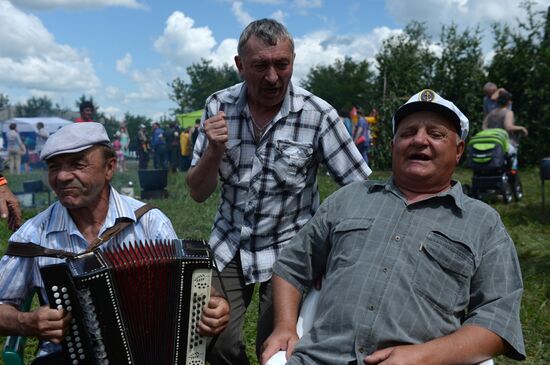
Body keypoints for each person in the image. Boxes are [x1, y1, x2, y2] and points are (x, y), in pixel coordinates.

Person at [261, 89, 525, 365]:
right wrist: (285, 326)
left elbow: (498, 319)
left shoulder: (482, 222)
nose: (419, 140)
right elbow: (292, 265)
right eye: (408, 133)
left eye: (435, 134)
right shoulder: (350, 198)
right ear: (393, 145)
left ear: (458, 150)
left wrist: (422, 357)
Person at [187, 18, 371, 365]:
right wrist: (213, 150)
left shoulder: (317, 114)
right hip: (229, 244)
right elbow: (197, 193)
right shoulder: (218, 106)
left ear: (293, 62)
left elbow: (361, 190)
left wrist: (333, 250)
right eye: (260, 66)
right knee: (213, 341)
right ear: (240, 65)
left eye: (281, 64)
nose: (272, 77)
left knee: (278, 350)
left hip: (291, 250)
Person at [0, 122, 230, 364]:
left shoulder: (149, 222)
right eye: (54, 167)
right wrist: (26, 322)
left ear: (109, 168)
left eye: (77, 164)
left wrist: (214, 307)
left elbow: (188, 291)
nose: (62, 177)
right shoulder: (34, 235)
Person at [482, 90, 528, 171]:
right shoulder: (508, 112)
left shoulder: (491, 113)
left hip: (492, 144)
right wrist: (522, 128)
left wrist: (493, 133)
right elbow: (508, 127)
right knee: (512, 161)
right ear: (509, 102)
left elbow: (484, 127)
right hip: (505, 143)